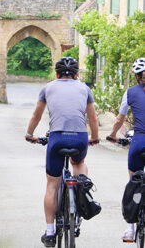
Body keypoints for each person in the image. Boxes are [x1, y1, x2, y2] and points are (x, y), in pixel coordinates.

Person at [25, 57, 99, 247]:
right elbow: (92, 119)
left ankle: (50, 233)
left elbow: (36, 115)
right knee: (78, 163)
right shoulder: (85, 88)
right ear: (76, 75)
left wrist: (30, 134)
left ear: (57, 74)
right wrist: (95, 138)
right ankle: (81, 189)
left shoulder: (48, 88)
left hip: (57, 138)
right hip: (80, 138)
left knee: (52, 184)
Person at [107, 57, 145, 242]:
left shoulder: (130, 93)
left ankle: (130, 230)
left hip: (138, 142)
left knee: (133, 182)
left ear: (137, 77)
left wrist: (113, 134)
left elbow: (119, 119)